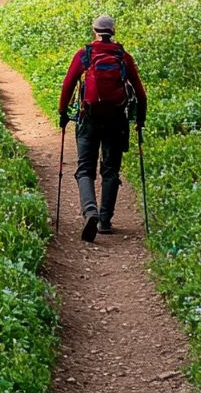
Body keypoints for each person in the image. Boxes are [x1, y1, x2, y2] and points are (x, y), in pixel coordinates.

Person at [58, 14, 147, 241]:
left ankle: (90, 211)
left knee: (85, 169)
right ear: (113, 31)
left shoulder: (85, 54)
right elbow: (140, 92)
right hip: (116, 119)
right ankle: (105, 221)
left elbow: (68, 84)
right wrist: (140, 120)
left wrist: (62, 113)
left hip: (89, 118)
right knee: (111, 170)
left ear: (93, 30)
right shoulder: (123, 57)